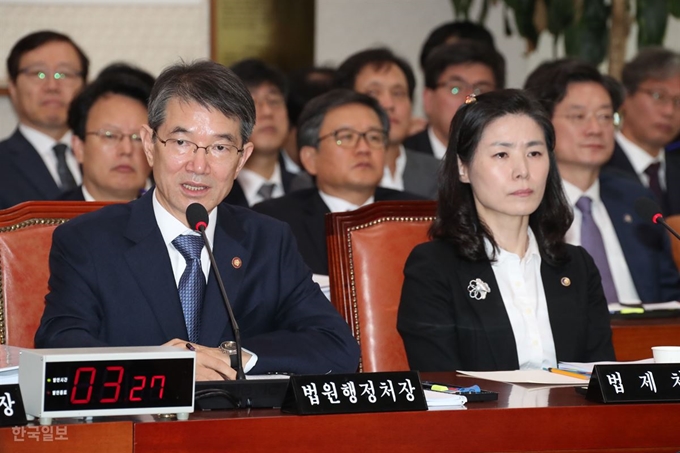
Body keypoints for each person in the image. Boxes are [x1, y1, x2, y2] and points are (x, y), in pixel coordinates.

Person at [35, 60, 360, 380]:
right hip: (135, 426)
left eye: (219, 147)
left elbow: (336, 345)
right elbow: (59, 344)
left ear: (241, 159)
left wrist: (232, 357)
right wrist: (159, 364)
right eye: (181, 143)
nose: (199, 165)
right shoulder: (88, 240)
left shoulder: (267, 240)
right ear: (150, 145)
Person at [397, 89, 615, 372]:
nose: (522, 170)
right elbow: (442, 383)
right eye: (501, 154)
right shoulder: (434, 268)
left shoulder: (577, 267)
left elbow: (602, 378)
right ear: (463, 168)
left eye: (534, 153)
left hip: (571, 417)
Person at [524, 59, 680, 305]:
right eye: (579, 116)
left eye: (605, 116)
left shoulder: (635, 199)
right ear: (541, 124)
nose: (596, 128)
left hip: (644, 338)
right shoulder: (524, 205)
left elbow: (670, 297)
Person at [253, 89, 422, 276]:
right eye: (346, 137)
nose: (364, 148)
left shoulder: (418, 216)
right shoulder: (273, 222)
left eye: (374, 137)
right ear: (310, 158)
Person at [335, 48, 440, 199]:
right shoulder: (328, 177)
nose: (389, 104)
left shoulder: (442, 174)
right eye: (373, 93)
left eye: (398, 93)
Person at [0, 30, 88, 209]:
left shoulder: (108, 156)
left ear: (85, 87)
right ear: (13, 87)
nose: (52, 86)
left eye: (64, 74)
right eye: (38, 74)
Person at [59, 64, 154, 201]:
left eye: (138, 138)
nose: (126, 149)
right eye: (110, 136)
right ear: (79, 148)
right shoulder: (48, 219)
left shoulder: (174, 218)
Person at [604, 47, 680, 215]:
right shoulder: (598, 165)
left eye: (678, 101)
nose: (669, 111)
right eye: (658, 96)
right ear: (625, 97)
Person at [403, 41, 505, 159]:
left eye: (480, 90)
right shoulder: (402, 156)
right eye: (456, 89)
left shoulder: (507, 157)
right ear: (428, 99)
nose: (469, 99)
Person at [227, 59, 296, 207]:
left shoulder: (304, 187)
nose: (267, 112)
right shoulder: (216, 192)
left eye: (274, 101)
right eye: (252, 102)